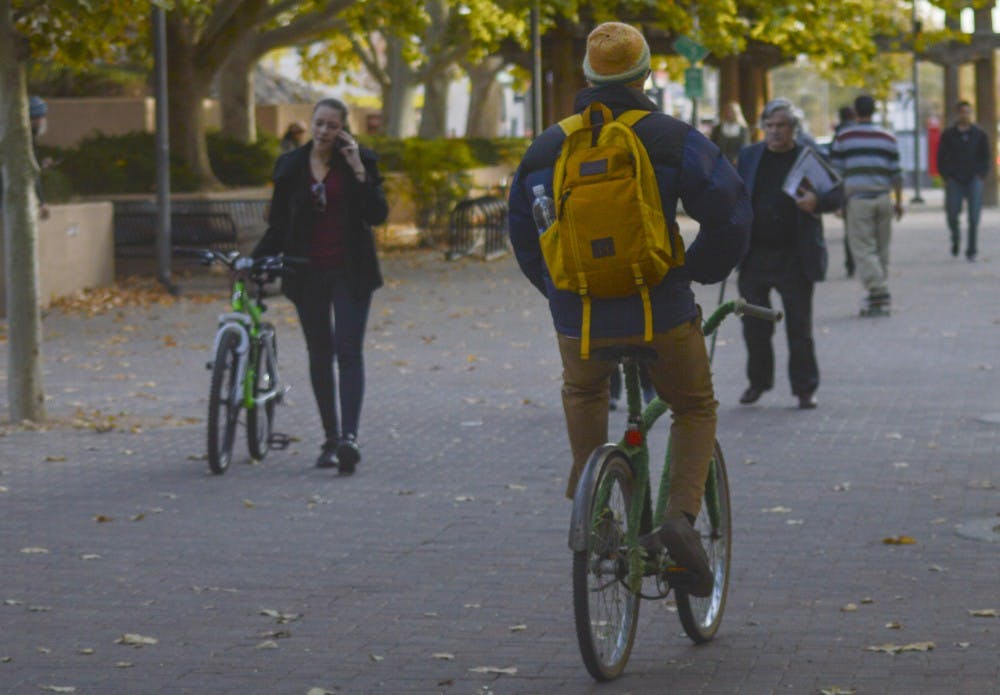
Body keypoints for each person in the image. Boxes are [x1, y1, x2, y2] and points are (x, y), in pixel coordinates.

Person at [507, 21, 751, 597]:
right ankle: (679, 520)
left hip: (580, 318)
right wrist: (696, 269)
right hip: (659, 308)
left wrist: (562, 294)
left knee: (585, 391)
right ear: (644, 75)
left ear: (586, 78)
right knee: (694, 405)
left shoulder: (547, 147)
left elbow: (523, 236)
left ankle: (596, 504)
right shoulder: (670, 137)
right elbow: (732, 211)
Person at [252, 98, 388, 474]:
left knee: (348, 351)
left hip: (350, 270)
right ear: (310, 125)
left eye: (332, 125)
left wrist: (360, 171)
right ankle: (329, 439)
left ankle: (349, 438)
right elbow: (278, 225)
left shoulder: (361, 160)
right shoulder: (291, 166)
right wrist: (256, 259)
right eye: (319, 123)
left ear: (344, 128)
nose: (324, 131)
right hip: (306, 271)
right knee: (319, 353)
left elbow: (377, 215)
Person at [735, 98, 842, 410]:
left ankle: (805, 388)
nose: (774, 131)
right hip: (755, 256)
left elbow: (836, 193)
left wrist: (817, 203)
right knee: (754, 326)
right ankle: (758, 382)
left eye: (781, 126)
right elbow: (734, 193)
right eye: (769, 126)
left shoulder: (807, 157)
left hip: (795, 257)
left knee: (799, 328)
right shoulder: (750, 156)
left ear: (793, 129)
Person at [829, 94, 903, 316]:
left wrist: (838, 202)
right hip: (883, 198)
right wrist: (898, 202)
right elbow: (896, 174)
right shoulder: (888, 138)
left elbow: (837, 174)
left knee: (862, 248)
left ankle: (878, 289)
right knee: (881, 248)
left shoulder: (844, 137)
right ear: (874, 110)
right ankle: (876, 294)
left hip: (858, 200)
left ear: (855, 111)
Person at [936, 100, 990, 261]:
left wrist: (981, 174)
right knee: (952, 213)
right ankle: (956, 237)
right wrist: (947, 175)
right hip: (954, 179)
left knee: (974, 216)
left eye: (967, 112)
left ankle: (971, 249)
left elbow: (985, 157)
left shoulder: (979, 135)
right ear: (957, 114)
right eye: (962, 112)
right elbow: (941, 157)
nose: (964, 115)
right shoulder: (948, 135)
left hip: (974, 178)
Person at [833, 105, 857, 277]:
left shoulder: (839, 135)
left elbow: (836, 170)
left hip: (847, 189)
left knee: (849, 230)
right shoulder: (856, 132)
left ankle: (850, 264)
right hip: (864, 187)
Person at [711, 101, 750, 165]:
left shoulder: (743, 129)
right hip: (719, 161)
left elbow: (745, 146)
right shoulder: (718, 128)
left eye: (732, 112)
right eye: (728, 112)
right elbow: (712, 144)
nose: (729, 114)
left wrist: (738, 158)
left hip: (736, 162)